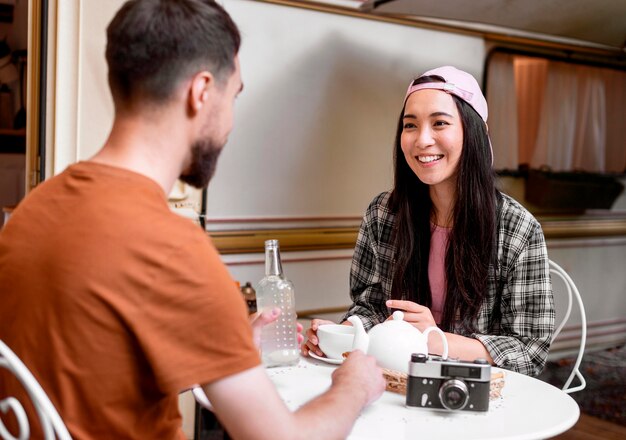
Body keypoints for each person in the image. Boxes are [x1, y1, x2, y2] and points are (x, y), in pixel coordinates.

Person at [0, 1, 385, 439]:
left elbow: (89, 372)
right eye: (233, 95)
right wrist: (352, 386)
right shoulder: (172, 247)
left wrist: (216, 346)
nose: (230, 121)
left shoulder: (33, 210)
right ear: (202, 91)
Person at [303, 66, 555, 377]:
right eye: (410, 125)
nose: (422, 140)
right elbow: (370, 307)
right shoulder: (383, 214)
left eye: (440, 123)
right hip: (394, 378)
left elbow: (530, 350)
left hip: (477, 393)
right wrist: (343, 333)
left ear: (474, 132)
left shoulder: (517, 228)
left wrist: (434, 340)